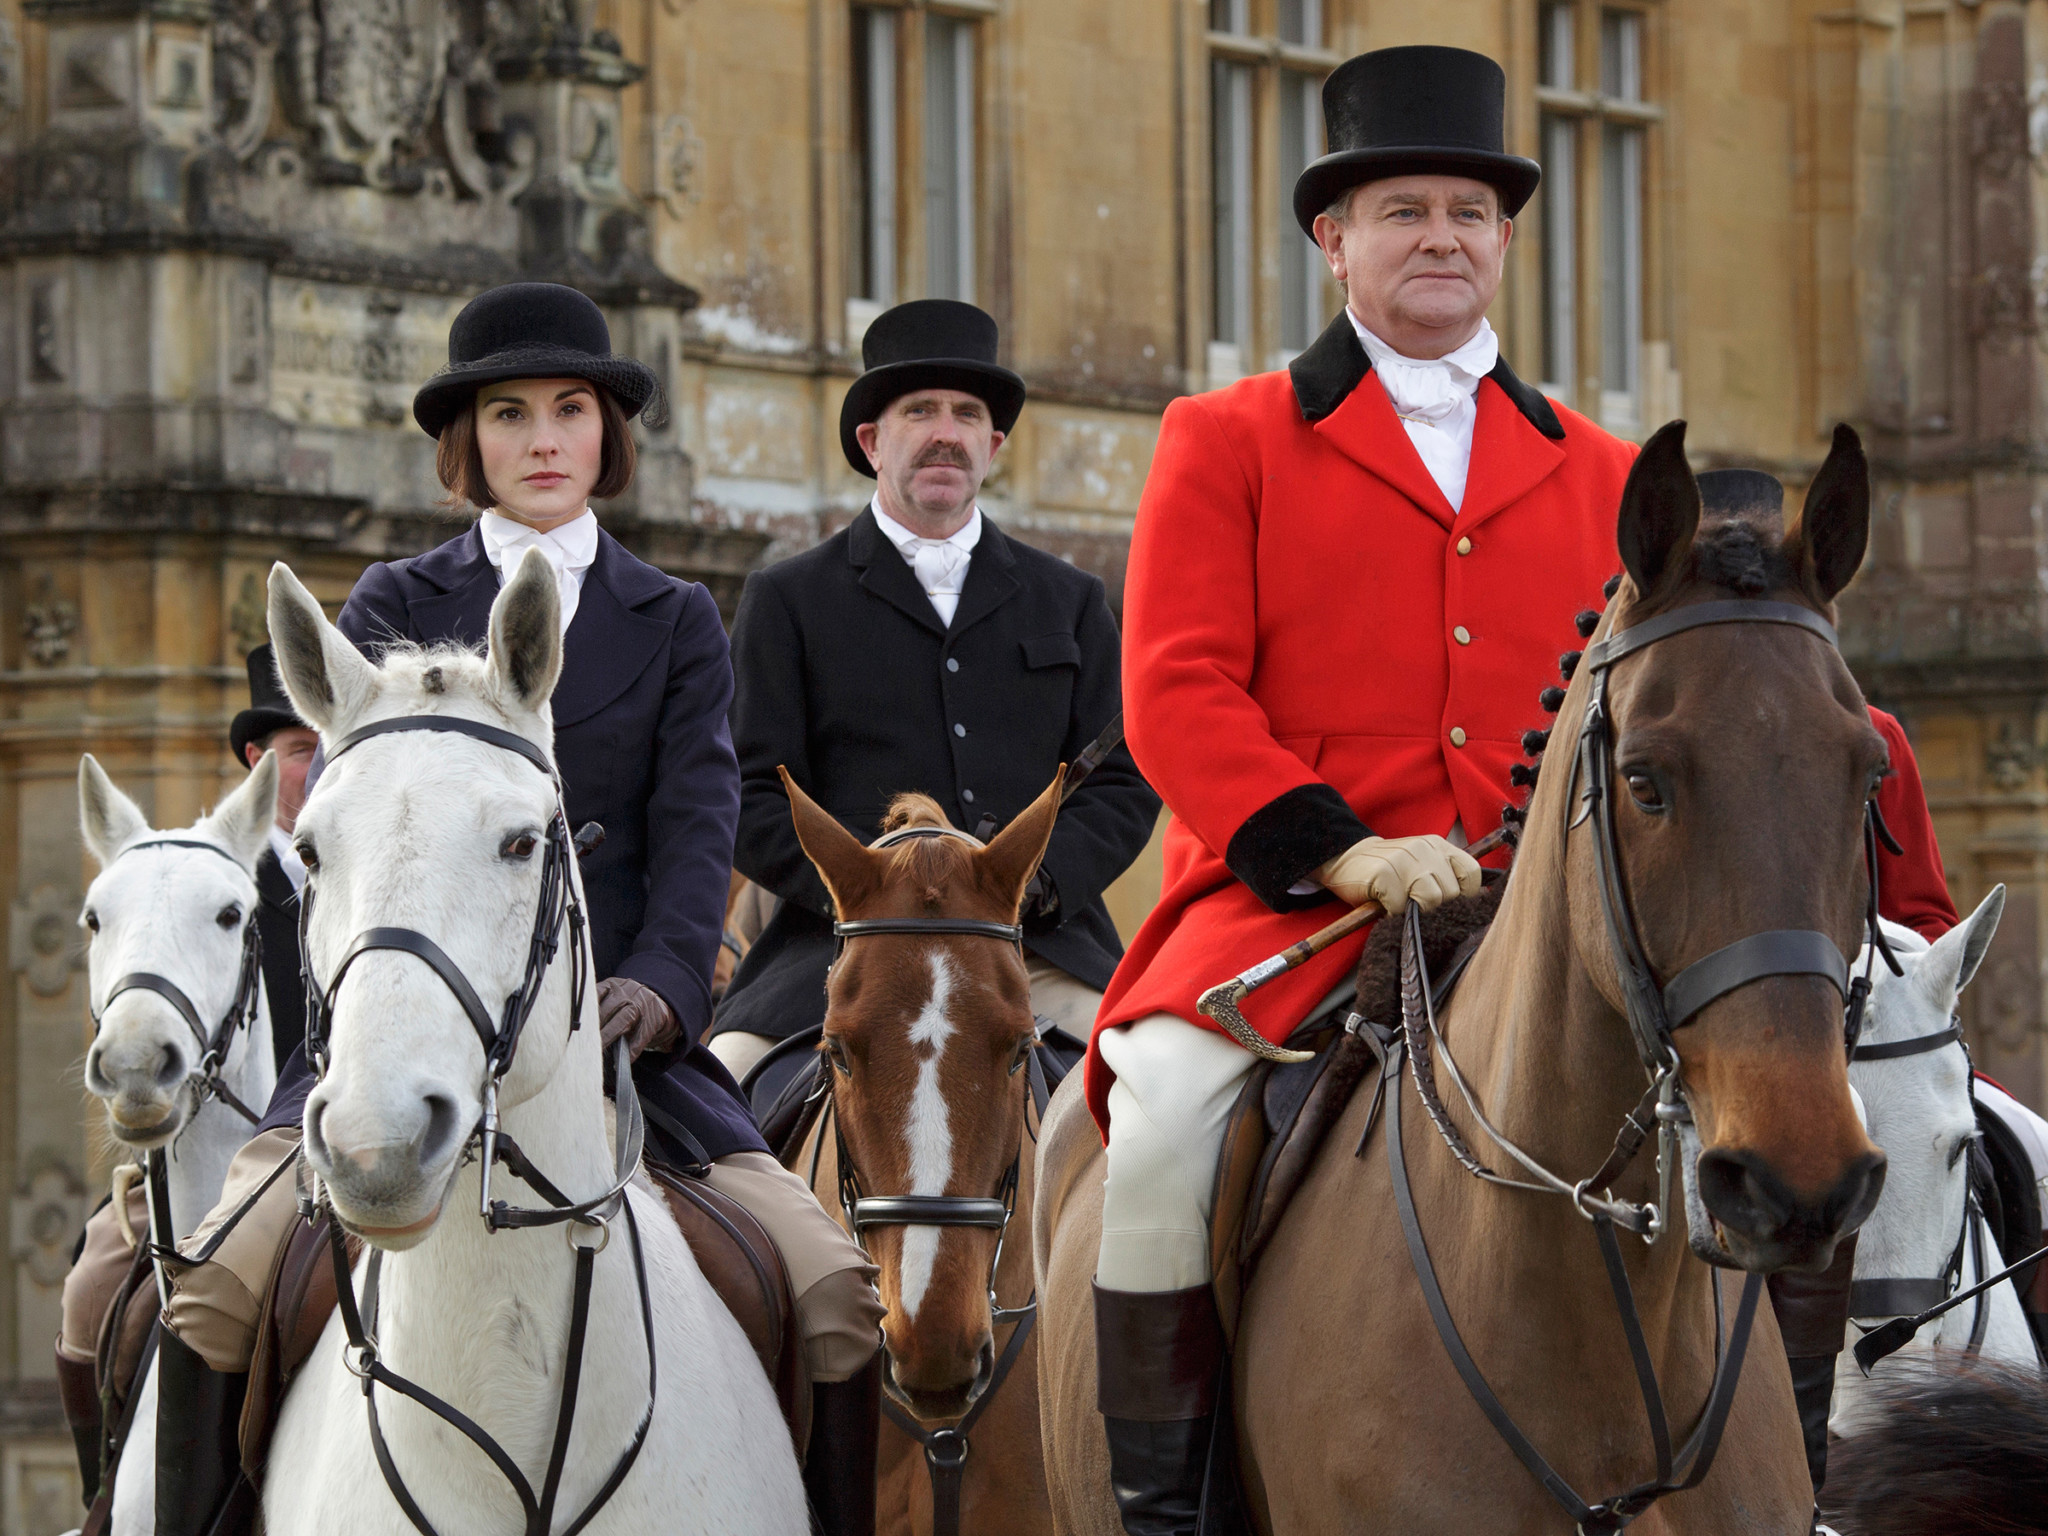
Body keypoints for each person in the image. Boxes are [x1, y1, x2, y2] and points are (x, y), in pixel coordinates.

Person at [150, 283, 885, 1536]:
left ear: (607, 434)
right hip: (395, 1029)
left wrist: (661, 981)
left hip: (614, 1039)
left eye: (569, 411)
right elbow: (358, 843)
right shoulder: (388, 604)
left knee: (828, 1292)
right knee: (213, 1287)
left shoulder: (675, 620)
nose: (543, 439)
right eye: (509, 414)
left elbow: (700, 819)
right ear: (467, 443)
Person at [1081, 47, 1639, 1534]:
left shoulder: (1606, 474)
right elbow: (1176, 693)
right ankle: (1163, 1505)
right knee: (1163, 1143)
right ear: (1335, 240)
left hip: (1542, 920)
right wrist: (1338, 852)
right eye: (1403, 209)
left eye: (1469, 209)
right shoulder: (1227, 437)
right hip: (1287, 919)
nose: (1441, 235)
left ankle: (1789, 1459)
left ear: (1506, 240)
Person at [708, 299, 1158, 1079]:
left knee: (1163, 1087)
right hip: (835, 950)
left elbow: (1124, 780)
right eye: (919, 411)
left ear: (994, 444)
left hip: (1040, 949)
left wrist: (1035, 886)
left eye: (966, 413)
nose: (945, 431)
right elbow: (746, 789)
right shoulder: (788, 598)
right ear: (872, 442)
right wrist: (864, 887)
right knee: (719, 1097)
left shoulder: (1073, 599)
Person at [228, 643, 317, 1067]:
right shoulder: (228, 891)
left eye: (333, 746)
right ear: (257, 760)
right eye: (302, 750)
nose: (323, 769)